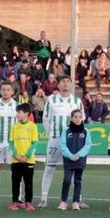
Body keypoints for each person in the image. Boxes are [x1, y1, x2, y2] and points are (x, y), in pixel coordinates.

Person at [39, 78, 80, 207]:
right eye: (63, 81)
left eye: (68, 81)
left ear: (71, 84)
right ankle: (44, 198)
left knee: (73, 170)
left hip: (72, 141)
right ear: (59, 84)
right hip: (55, 140)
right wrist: (51, 134)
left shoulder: (77, 101)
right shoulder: (51, 100)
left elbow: (81, 120)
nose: (65, 84)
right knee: (49, 168)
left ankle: (77, 199)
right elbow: (45, 119)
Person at [7, 102, 39, 210]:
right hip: (16, 160)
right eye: (17, 112)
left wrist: (27, 156)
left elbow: (35, 143)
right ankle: (15, 201)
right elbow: (11, 143)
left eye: (19, 112)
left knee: (28, 182)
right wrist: (16, 156)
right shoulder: (14, 127)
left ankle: (29, 202)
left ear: (26, 113)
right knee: (15, 182)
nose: (17, 114)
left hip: (28, 160)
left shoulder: (33, 126)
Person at [58, 110, 91, 209]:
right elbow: (63, 145)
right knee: (67, 180)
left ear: (82, 118)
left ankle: (75, 202)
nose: (77, 119)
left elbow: (88, 145)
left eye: (80, 117)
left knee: (78, 181)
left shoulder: (86, 131)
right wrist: (70, 155)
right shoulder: (66, 130)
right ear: (71, 118)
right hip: (68, 160)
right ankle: (63, 202)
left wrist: (78, 155)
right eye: (75, 117)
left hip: (80, 160)